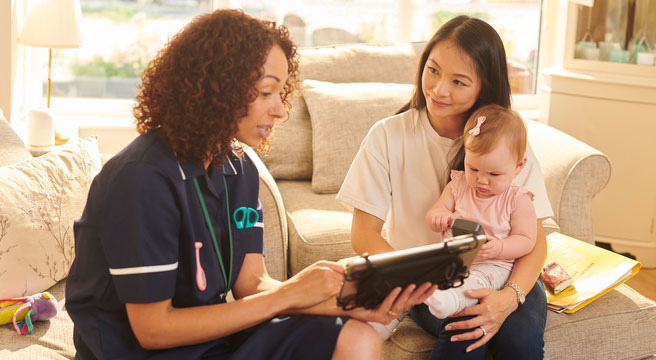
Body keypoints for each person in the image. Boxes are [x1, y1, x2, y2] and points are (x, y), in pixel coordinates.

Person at [65, 9, 433, 359]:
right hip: (138, 352)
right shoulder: (141, 179)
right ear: (216, 88)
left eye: (281, 92)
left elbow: (252, 283)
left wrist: (348, 304)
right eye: (265, 92)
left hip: (209, 342)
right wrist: (290, 293)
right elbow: (154, 330)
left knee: (357, 334)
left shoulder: (239, 170)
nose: (281, 110)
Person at [337, 15, 552, 358]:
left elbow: (535, 244)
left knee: (519, 341)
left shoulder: (508, 148)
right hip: (432, 280)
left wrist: (508, 298)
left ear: (485, 85)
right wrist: (416, 281)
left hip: (506, 273)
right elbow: (364, 235)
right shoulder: (388, 136)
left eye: (459, 81)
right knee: (463, 331)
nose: (439, 89)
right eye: (433, 70)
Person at [423, 105, 536, 320]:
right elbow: (435, 212)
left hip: (493, 265)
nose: (481, 180)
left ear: (519, 166)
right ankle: (388, 320)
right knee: (417, 277)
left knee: (476, 280)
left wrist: (500, 247)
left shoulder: (517, 199)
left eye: (494, 174)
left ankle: (450, 301)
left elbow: (526, 240)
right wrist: (439, 216)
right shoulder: (458, 185)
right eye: (473, 169)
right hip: (452, 260)